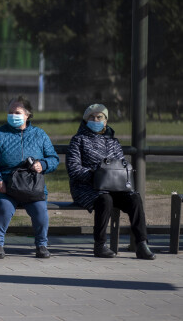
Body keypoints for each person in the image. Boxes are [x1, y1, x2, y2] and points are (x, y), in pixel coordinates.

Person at [66, 104, 155, 260]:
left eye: (99, 117)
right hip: (87, 187)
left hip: (115, 186)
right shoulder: (78, 140)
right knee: (104, 199)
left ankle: (141, 244)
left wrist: (118, 177)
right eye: (91, 117)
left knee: (134, 198)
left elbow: (121, 164)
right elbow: (73, 169)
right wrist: (96, 175)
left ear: (105, 121)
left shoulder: (113, 141)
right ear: (86, 120)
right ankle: (100, 245)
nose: (95, 120)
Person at [0, 95, 59, 259]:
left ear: (28, 114)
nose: (13, 115)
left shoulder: (40, 134)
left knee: (40, 211)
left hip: (33, 187)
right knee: (3, 207)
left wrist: (42, 165)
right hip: (6, 186)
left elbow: (54, 158)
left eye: (17, 112)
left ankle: (42, 245)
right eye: (10, 112)